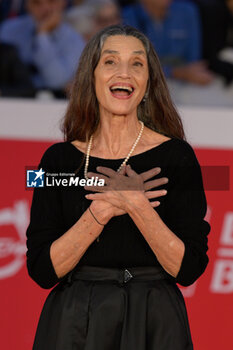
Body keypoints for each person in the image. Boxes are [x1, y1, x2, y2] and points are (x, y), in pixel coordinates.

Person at [26, 25, 211, 350]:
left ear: (148, 81)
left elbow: (189, 268)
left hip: (155, 319)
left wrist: (138, 206)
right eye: (111, 61)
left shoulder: (178, 157)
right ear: (92, 75)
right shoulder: (55, 161)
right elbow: (42, 270)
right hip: (75, 322)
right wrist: (101, 210)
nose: (124, 72)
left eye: (137, 63)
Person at [0, 0, 85, 95]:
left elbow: (57, 81)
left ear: (63, 3)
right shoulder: (9, 30)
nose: (45, 9)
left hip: (53, 104)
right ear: (27, 5)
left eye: (51, 2)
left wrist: (42, 35)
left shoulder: (74, 39)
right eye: (37, 3)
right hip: (11, 100)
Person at [122, 0, 214, 85]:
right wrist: (176, 72)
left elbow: (194, 61)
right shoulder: (126, 16)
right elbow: (134, 66)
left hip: (185, 83)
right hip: (146, 84)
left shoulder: (186, 11)